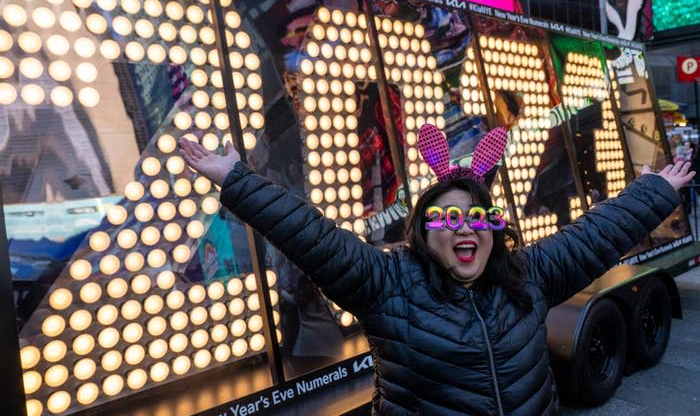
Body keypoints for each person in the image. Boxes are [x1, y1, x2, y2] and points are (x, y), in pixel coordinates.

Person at [178, 125, 693, 415]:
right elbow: (314, 238)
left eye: (478, 217)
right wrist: (238, 182)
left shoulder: (526, 276)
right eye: (447, 217)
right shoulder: (388, 285)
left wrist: (657, 193)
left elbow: (594, 238)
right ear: (424, 233)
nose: (465, 228)